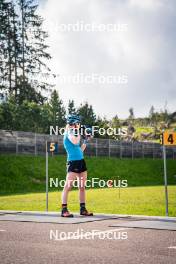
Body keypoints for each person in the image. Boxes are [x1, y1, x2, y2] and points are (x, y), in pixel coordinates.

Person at [61, 114, 93, 217]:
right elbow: (74, 140)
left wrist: (86, 139)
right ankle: (64, 210)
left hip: (81, 161)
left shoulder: (75, 132)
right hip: (72, 162)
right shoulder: (68, 133)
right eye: (77, 123)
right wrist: (80, 132)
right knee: (68, 186)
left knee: (82, 187)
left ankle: (82, 209)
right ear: (73, 124)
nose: (79, 125)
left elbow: (79, 149)